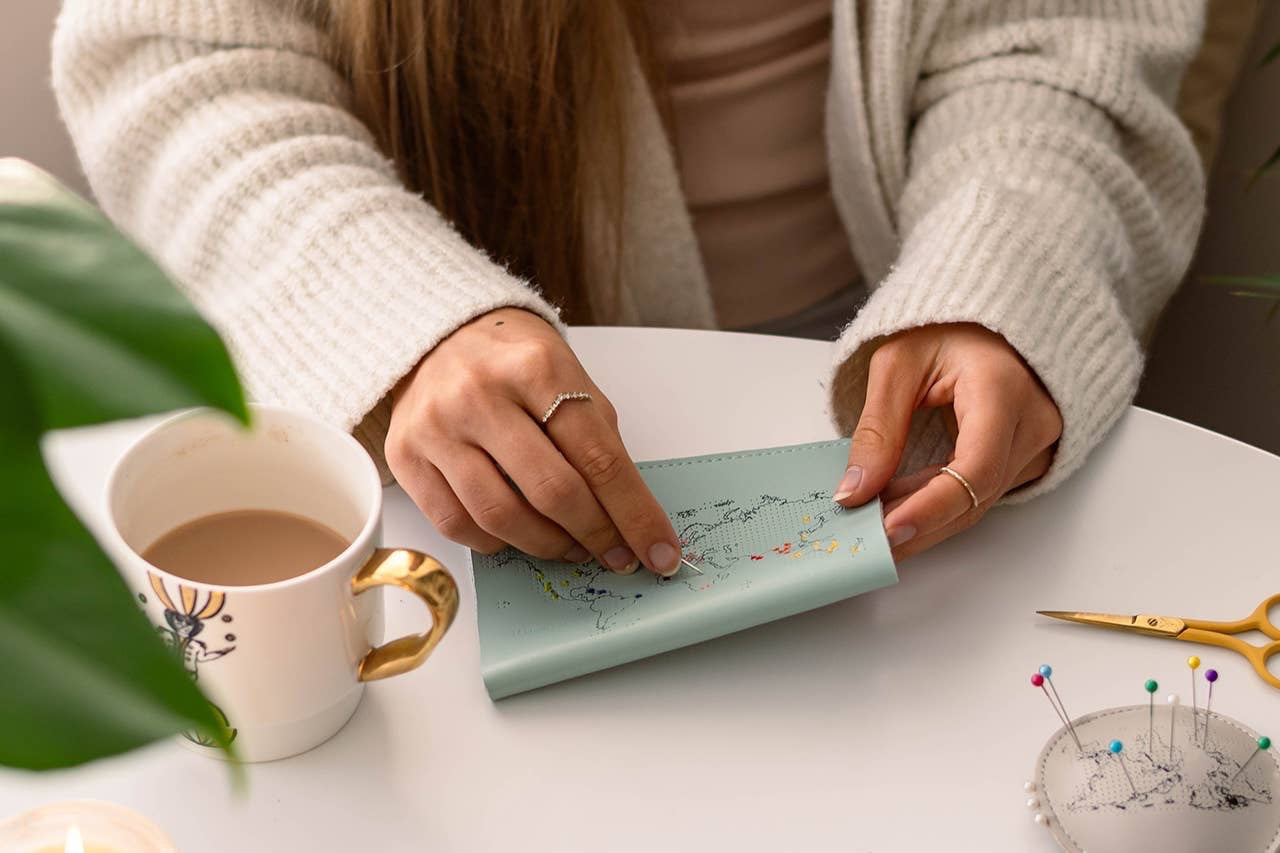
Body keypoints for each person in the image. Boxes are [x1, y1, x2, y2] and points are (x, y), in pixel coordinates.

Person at [52, 1, 1206, 577]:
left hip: (896, 369)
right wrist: (405, 324)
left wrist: (1000, 277)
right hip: (428, 429)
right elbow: (180, 63)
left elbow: (1065, 46)